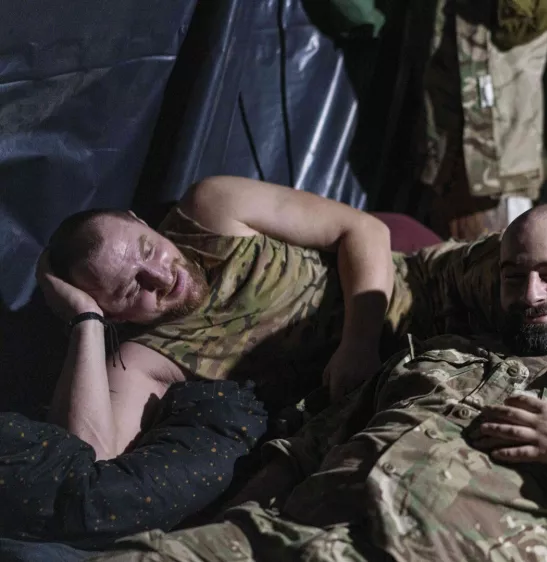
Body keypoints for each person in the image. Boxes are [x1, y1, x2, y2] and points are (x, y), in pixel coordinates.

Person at [88, 204, 547, 562]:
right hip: (276, 539)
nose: (531, 295)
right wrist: (229, 528)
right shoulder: (439, 354)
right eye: (514, 276)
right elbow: (302, 451)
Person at [36, 175, 399, 460]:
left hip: (410, 299)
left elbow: (364, 229)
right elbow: (87, 460)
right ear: (113, 316)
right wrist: (85, 320)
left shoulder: (212, 209)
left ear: (140, 221)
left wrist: (360, 342)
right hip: (384, 395)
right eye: (131, 289)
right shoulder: (145, 358)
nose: (161, 277)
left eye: (148, 249)